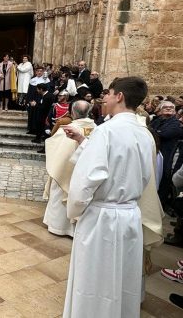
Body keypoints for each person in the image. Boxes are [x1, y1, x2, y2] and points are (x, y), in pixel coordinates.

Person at [62, 77, 162, 318]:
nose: (103, 98)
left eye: (108, 93)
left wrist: (74, 212)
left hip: (101, 217)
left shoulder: (106, 131)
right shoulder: (145, 133)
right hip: (129, 215)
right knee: (123, 279)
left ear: (119, 97)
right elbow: (130, 167)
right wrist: (84, 141)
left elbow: (87, 180)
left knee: (94, 280)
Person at [42, 101, 96, 237]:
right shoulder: (96, 128)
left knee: (59, 191)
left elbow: (56, 150)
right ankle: (73, 230)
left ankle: (58, 227)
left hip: (65, 170)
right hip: (84, 172)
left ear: (72, 112)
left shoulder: (68, 128)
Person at [150, 101, 183, 208]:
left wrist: (155, 132)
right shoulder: (158, 120)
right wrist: (156, 132)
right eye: (165, 107)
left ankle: (160, 204)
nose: (168, 109)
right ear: (160, 109)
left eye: (171, 107)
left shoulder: (175, 123)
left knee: (164, 178)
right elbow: (149, 131)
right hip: (156, 153)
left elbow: (165, 134)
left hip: (167, 154)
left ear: (174, 110)